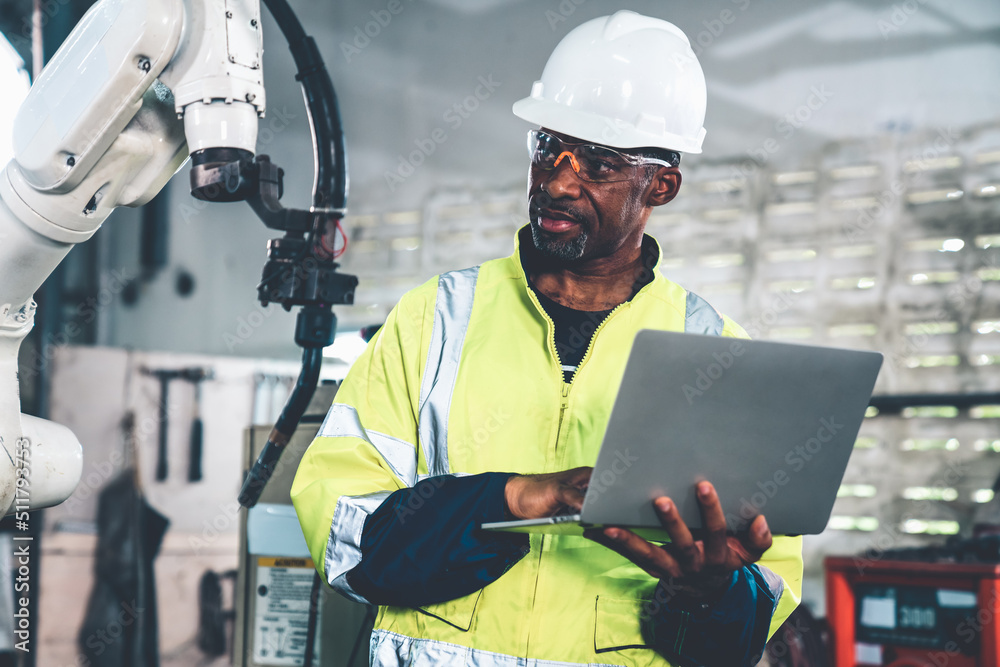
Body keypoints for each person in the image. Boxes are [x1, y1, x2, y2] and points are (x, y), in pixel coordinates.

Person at [291, 10, 802, 667]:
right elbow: (347, 542)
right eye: (547, 149)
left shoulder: (717, 351)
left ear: (662, 186)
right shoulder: (434, 319)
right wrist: (517, 497)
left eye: (599, 163)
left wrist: (709, 593)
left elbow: (734, 639)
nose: (558, 180)